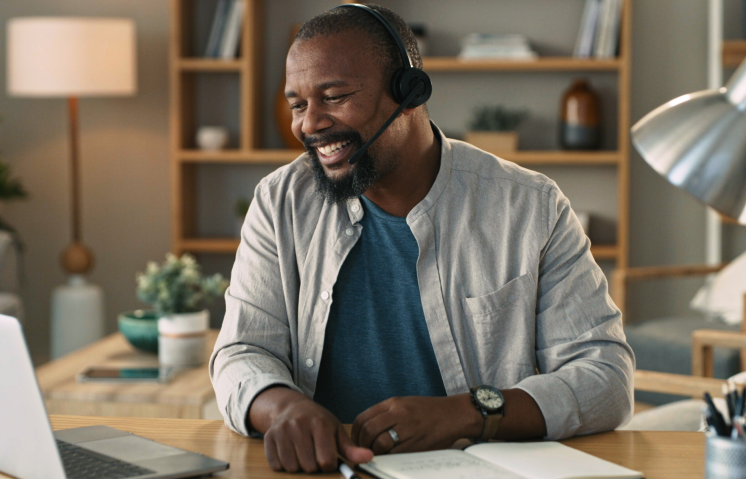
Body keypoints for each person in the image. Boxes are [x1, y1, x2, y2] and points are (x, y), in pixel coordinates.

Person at [209, 3, 635, 474]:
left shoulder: (529, 206)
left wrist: (467, 413)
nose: (309, 124)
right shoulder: (280, 202)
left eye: (334, 96)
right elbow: (242, 351)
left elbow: (605, 376)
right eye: (298, 104)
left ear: (409, 92)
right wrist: (282, 406)